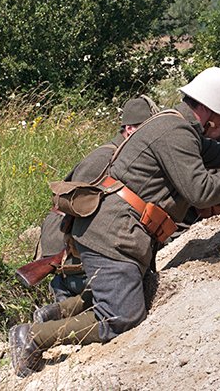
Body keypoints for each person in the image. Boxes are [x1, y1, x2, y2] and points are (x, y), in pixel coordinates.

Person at [9, 67, 220, 377]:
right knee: (122, 315)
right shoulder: (178, 132)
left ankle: (52, 313)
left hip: (112, 231)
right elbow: (201, 192)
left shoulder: (177, 125)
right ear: (208, 112)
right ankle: (33, 338)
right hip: (113, 235)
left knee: (132, 290)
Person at [33, 95, 159, 311]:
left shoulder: (123, 155)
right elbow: (71, 206)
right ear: (129, 130)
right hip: (65, 249)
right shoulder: (105, 158)